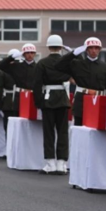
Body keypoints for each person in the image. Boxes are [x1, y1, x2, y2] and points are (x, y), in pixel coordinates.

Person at [33, 35, 73, 175]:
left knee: (49, 132)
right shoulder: (66, 62)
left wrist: (38, 102)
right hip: (62, 98)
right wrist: (71, 52)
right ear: (61, 47)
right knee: (62, 132)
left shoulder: (42, 63)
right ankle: (62, 163)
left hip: (48, 99)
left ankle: (50, 163)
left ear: (48, 47)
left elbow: (37, 84)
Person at [55, 37, 106, 126]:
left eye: (96, 48)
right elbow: (58, 65)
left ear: (100, 50)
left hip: (99, 101)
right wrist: (73, 54)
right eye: (91, 48)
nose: (94, 50)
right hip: (81, 102)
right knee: (79, 130)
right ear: (86, 49)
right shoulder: (77, 64)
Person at [0, 44, 38, 132]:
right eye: (27, 53)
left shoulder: (38, 67)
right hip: (19, 96)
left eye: (32, 53)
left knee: (30, 123)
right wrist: (11, 58)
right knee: (17, 122)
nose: (30, 55)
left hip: (32, 96)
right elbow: (0, 66)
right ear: (23, 54)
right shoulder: (17, 66)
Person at [0, 49, 19, 133]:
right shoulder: (3, 73)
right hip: (8, 102)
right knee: (8, 126)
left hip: (17, 100)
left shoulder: (19, 70)